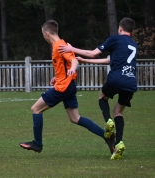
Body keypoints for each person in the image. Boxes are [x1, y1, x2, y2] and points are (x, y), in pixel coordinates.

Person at [19, 20, 115, 156]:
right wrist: (57, 77)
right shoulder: (59, 45)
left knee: (36, 109)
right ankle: (107, 137)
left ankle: (37, 143)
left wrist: (72, 69)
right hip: (68, 85)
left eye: (43, 35)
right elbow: (64, 65)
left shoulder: (59, 46)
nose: (44, 37)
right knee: (75, 118)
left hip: (63, 87)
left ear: (46, 33)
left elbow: (74, 60)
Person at [58, 17, 137, 160]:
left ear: (120, 29)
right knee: (118, 112)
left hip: (116, 78)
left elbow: (94, 52)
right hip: (131, 81)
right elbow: (109, 60)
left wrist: (72, 49)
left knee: (102, 97)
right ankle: (118, 143)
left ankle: (108, 121)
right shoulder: (133, 44)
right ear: (132, 31)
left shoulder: (115, 39)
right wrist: (85, 60)